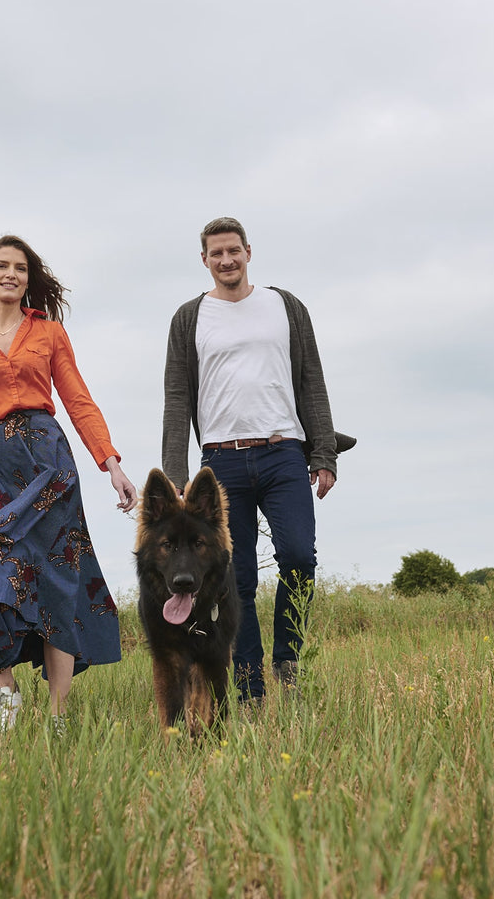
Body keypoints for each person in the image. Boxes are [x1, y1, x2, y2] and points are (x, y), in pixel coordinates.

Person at [0, 235, 136, 735]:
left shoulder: (48, 334)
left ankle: (59, 717)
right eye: (1, 266)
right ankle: (6, 692)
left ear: (28, 278)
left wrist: (110, 462)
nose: (10, 274)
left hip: (48, 465)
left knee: (57, 582)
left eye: (20, 268)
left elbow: (77, 399)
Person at [161, 216, 352, 705]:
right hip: (221, 464)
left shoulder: (284, 306)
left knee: (297, 556)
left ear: (248, 251)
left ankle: (287, 658)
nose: (226, 260)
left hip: (283, 453)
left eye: (234, 251)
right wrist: (178, 478)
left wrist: (324, 451)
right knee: (234, 578)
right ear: (204, 260)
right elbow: (177, 398)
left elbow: (313, 380)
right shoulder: (189, 317)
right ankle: (249, 685)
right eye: (216, 254)